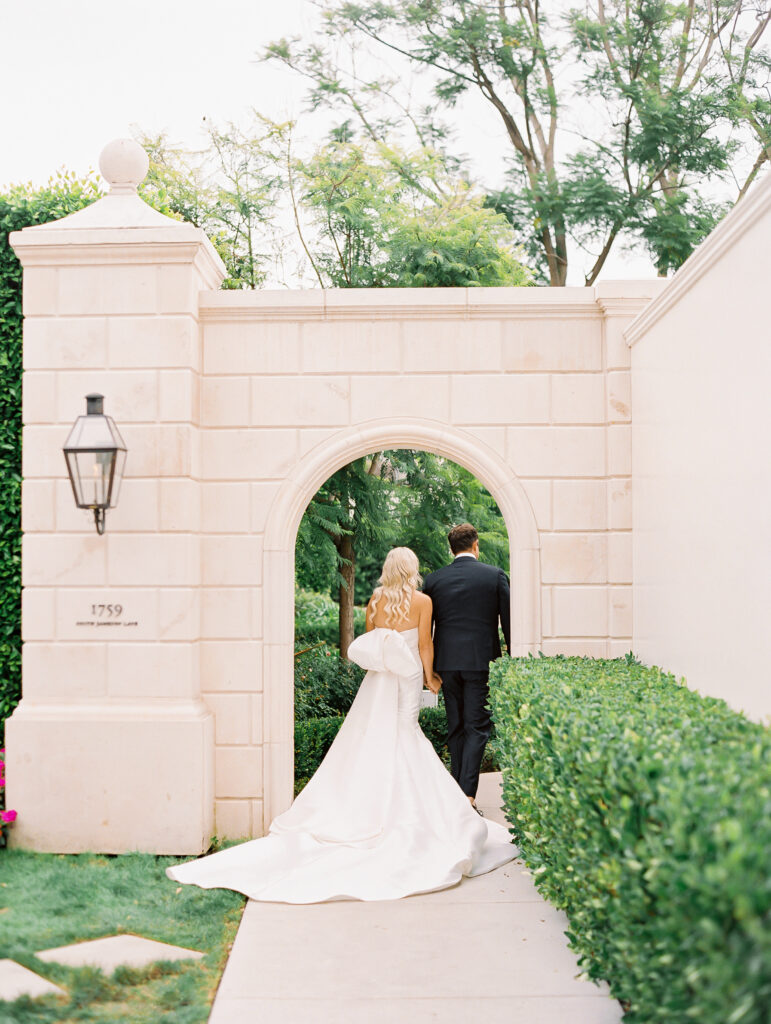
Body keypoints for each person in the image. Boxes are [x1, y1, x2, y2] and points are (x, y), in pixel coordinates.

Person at [165, 546, 516, 903]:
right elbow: (425, 643)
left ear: (387, 568)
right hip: (407, 676)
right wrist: (430, 676)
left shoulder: (376, 599)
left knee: (374, 735)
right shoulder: (423, 601)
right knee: (406, 733)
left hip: (379, 680)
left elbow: (369, 644)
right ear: (411, 569)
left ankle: (369, 803)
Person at [423, 524, 511, 814]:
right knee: (477, 727)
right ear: (476, 545)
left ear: (451, 549)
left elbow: (427, 629)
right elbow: (509, 624)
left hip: (446, 663)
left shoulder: (434, 580)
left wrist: (428, 670)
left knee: (456, 726)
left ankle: (458, 794)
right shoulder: (494, 576)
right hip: (481, 662)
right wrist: (512, 658)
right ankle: (467, 798)